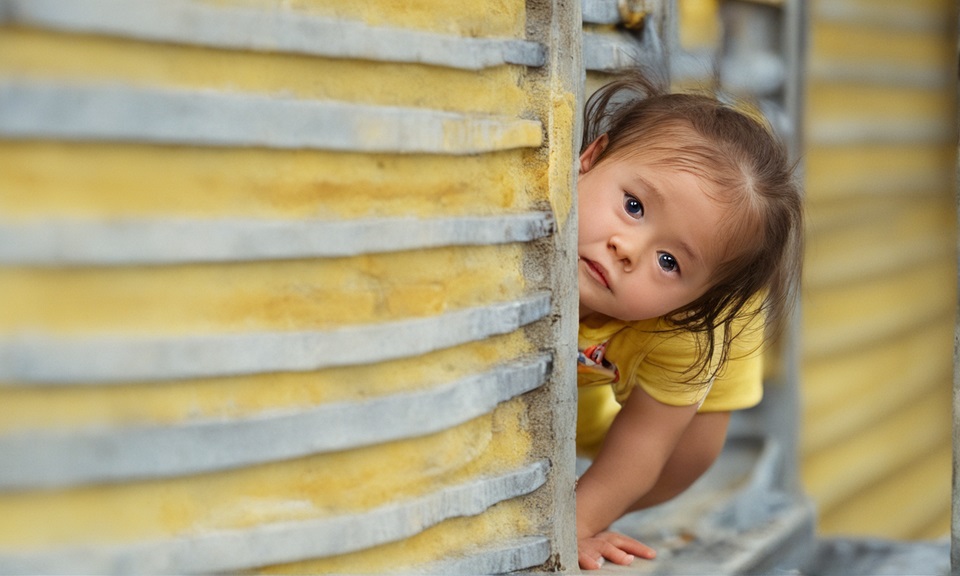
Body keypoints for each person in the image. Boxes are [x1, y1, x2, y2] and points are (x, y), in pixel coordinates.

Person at [573, 72, 803, 570]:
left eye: (668, 261)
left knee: (686, 454)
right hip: (609, 347)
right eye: (632, 206)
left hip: (696, 328)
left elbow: (642, 451)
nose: (627, 249)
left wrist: (573, 523)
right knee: (582, 422)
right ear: (591, 158)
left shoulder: (686, 329)